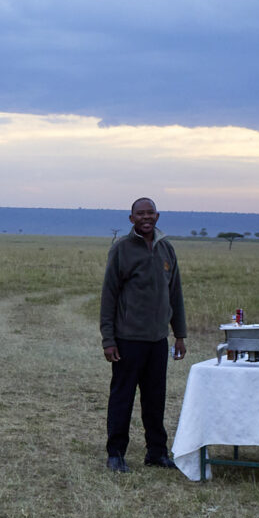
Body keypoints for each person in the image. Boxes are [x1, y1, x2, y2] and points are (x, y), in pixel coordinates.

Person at [100, 197, 187, 473]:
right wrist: (109, 339)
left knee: (155, 398)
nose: (146, 217)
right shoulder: (122, 250)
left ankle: (157, 453)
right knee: (122, 397)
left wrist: (179, 335)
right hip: (128, 339)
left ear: (158, 216)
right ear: (131, 219)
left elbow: (175, 294)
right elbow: (109, 296)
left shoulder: (166, 249)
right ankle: (116, 454)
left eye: (150, 213)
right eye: (140, 213)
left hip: (157, 340)